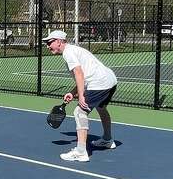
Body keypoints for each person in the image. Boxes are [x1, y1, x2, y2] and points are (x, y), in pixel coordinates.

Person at [43, 29, 117, 163]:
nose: (48, 46)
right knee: (101, 107)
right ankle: (107, 139)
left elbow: (79, 73)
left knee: (79, 111)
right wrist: (73, 93)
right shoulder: (73, 50)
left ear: (59, 42)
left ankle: (81, 152)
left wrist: (81, 96)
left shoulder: (68, 53)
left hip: (99, 83)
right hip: (111, 81)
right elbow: (84, 75)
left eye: (50, 42)